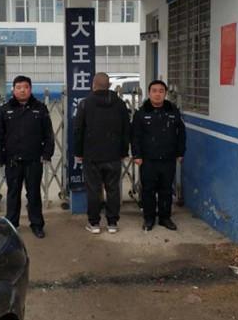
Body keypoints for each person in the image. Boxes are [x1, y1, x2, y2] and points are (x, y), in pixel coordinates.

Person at [0, 75, 55, 238]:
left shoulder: (40, 108)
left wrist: (47, 153)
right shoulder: (5, 109)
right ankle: (11, 224)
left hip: (34, 159)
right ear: (13, 90)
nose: (22, 90)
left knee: (33, 193)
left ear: (30, 89)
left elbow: (48, 134)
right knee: (13, 193)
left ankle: (37, 225)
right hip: (12, 160)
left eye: (26, 87)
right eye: (19, 87)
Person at [74, 72, 130, 234]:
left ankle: (94, 223)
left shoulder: (85, 104)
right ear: (109, 85)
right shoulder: (119, 104)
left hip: (92, 155)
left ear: (93, 85)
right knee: (113, 189)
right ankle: (112, 223)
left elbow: (78, 130)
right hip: (113, 155)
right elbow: (126, 129)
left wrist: (78, 152)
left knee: (94, 190)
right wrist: (123, 151)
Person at [131, 80, 186, 231]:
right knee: (148, 190)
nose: (157, 94)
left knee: (166, 190)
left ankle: (165, 218)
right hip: (148, 160)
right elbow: (135, 136)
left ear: (165, 93)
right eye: (154, 91)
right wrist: (137, 155)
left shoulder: (173, 111)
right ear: (149, 93)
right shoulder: (141, 113)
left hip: (168, 158)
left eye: (161, 91)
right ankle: (149, 218)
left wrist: (180, 152)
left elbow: (181, 133)